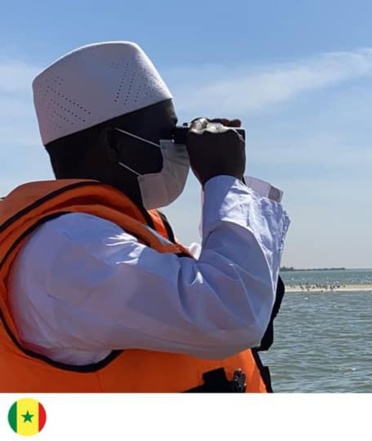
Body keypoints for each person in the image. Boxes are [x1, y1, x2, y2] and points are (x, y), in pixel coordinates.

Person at [0, 41, 291, 392]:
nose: (182, 148)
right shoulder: (67, 247)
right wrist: (223, 179)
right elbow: (232, 313)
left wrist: (233, 183)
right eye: (170, 134)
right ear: (116, 145)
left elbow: (234, 284)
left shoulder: (111, 233)